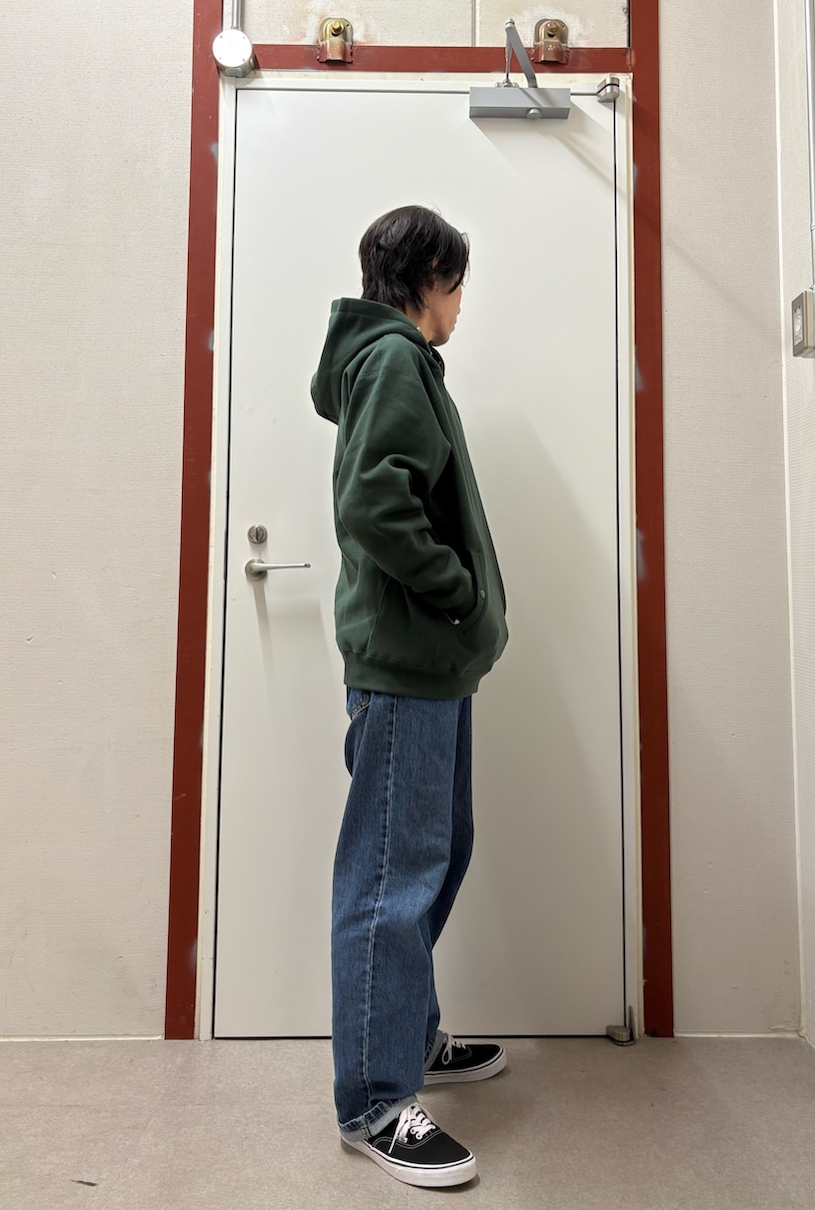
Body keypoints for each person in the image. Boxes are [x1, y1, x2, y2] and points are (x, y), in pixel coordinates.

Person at [310, 205, 509, 1188]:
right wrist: (457, 590)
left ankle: (407, 1029)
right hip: (407, 660)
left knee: (436, 852)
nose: (461, 303)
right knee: (393, 876)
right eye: (456, 282)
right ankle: (376, 1099)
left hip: (428, 665)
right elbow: (374, 503)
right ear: (426, 275)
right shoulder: (394, 358)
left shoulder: (400, 363)